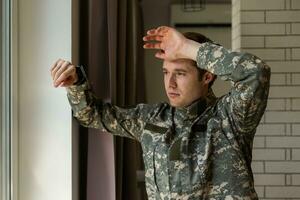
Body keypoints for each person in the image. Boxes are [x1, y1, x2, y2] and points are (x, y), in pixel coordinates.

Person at [50, 26, 270, 199]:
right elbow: (93, 115)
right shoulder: (152, 118)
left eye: (181, 73)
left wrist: (187, 47)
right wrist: (76, 83)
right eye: (166, 72)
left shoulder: (230, 118)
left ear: (207, 77)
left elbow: (256, 73)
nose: (170, 83)